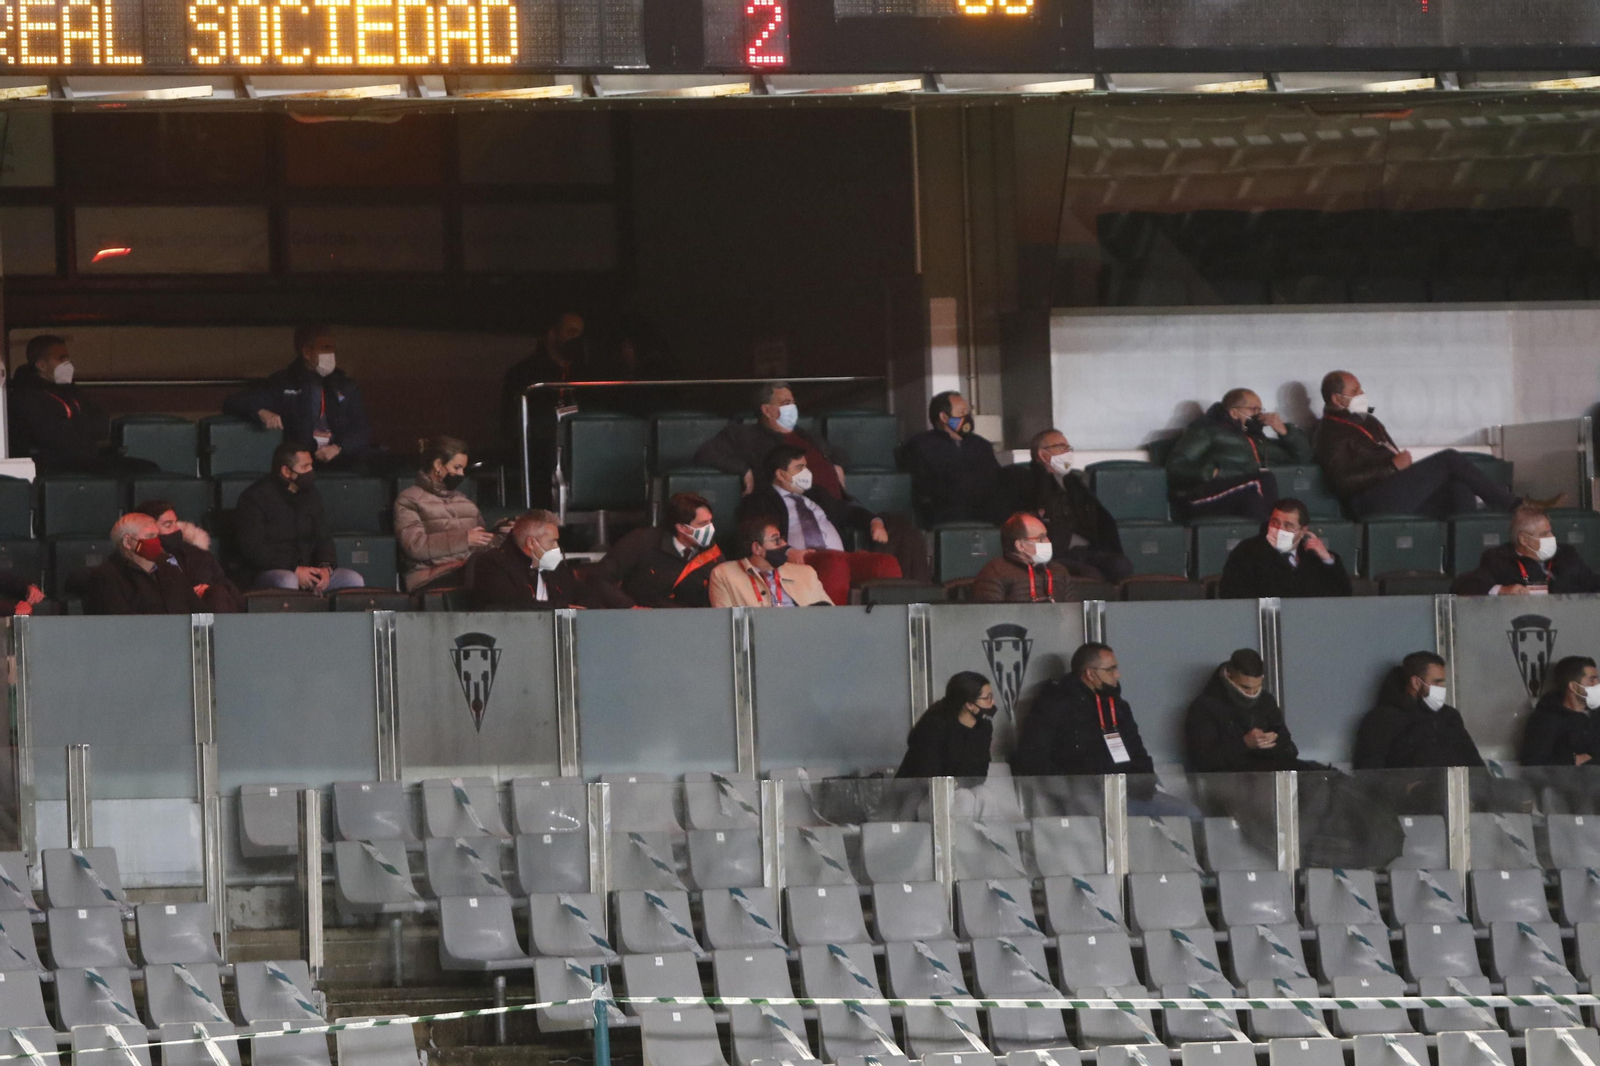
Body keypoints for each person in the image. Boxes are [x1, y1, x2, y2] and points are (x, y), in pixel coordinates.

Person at [1316, 370, 1534, 519]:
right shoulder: (1329, 432)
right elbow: (1342, 482)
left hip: (1394, 491)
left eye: (1360, 389)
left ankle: (1467, 559)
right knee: (1449, 459)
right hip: (1369, 502)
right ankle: (1515, 507)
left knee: (1459, 486)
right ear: (1337, 399)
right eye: (1355, 391)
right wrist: (1392, 467)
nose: (1362, 394)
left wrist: (1398, 468)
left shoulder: (1367, 420)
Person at [1012, 642, 1192, 815]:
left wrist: (1144, 783)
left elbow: (1137, 750)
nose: (1118, 675)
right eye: (1110, 669)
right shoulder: (1054, 705)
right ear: (1090, 673)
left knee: (1188, 812)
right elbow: (1032, 757)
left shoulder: (1118, 706)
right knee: (1113, 817)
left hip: (1125, 792)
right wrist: (1073, 785)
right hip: (1080, 794)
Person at [736, 444, 900, 606]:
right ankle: (831, 626)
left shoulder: (817, 494)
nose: (806, 473)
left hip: (839, 555)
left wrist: (874, 522)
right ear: (780, 474)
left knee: (885, 563)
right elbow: (757, 532)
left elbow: (848, 511)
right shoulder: (760, 500)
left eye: (806, 467)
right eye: (799, 468)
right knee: (834, 564)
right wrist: (787, 551)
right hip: (800, 560)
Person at [990, 428, 1131, 583]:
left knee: (1120, 565)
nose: (1067, 452)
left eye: (1068, 447)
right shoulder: (1024, 481)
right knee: (1090, 576)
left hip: (1088, 550)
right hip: (1056, 553)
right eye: (1060, 447)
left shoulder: (1075, 483)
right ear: (1042, 454)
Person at [224, 325, 371, 470]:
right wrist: (261, 411)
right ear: (306, 352)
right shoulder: (283, 382)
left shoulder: (345, 385)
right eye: (325, 348)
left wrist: (338, 448)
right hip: (296, 467)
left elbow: (361, 429)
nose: (331, 353)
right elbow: (234, 402)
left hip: (342, 464)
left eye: (333, 348)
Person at [7, 335, 155, 476]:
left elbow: (101, 424)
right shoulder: (25, 396)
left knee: (147, 469)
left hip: (84, 458)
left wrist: (75, 427)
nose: (67, 363)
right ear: (41, 365)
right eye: (61, 358)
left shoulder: (69, 389)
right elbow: (55, 438)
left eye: (67, 358)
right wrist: (82, 430)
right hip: (54, 465)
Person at [235, 442, 364, 594]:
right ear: (286, 471)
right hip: (271, 571)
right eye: (304, 467)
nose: (311, 471)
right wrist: (294, 569)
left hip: (310, 569)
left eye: (311, 466)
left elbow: (324, 538)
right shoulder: (254, 498)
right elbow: (254, 550)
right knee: (288, 579)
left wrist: (325, 567)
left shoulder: (312, 495)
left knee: (353, 579)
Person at [1166, 387, 1311, 521]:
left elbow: (1302, 457)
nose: (1259, 414)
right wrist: (1214, 472)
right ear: (1234, 412)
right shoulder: (1206, 429)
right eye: (1253, 409)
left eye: (1261, 409)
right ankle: (1274, 532)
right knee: (1262, 479)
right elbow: (1175, 466)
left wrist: (1284, 431)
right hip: (1198, 497)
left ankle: (1264, 544)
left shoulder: (1255, 439)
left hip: (1235, 494)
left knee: (1254, 502)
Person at [499, 311, 588, 508]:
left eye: (580, 334)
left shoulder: (587, 373)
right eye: (571, 332)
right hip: (540, 458)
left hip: (582, 453)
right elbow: (510, 427)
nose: (576, 339)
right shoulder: (523, 373)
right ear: (552, 334)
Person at [695, 381, 846, 497]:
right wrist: (744, 470)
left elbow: (838, 452)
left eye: (793, 403)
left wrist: (836, 466)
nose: (792, 408)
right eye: (786, 404)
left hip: (823, 507)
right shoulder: (744, 435)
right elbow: (706, 453)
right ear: (766, 410)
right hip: (778, 510)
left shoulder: (807, 435)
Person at [467, 509, 631, 611]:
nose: (557, 547)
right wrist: (562, 608)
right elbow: (511, 607)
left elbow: (582, 593)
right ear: (532, 542)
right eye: (552, 541)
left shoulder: (553, 567)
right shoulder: (493, 564)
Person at [1185, 648, 1318, 773]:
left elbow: (1290, 749)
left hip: (1265, 776)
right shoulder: (1204, 707)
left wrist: (1270, 743)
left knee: (1318, 772)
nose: (1252, 693)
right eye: (1245, 687)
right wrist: (1245, 743)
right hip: (1229, 783)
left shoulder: (1266, 701)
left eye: (1258, 687)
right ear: (1229, 676)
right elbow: (1203, 761)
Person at [394, 436, 499, 593]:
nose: (461, 474)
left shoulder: (465, 502)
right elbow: (415, 546)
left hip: (467, 570)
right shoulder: (409, 499)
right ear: (438, 465)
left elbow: (482, 546)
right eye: (457, 467)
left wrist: (503, 532)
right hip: (429, 576)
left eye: (463, 469)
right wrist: (464, 539)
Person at [1353, 651, 1484, 770]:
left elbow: (1476, 767)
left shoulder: (1450, 717)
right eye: (1436, 682)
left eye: (1443, 683)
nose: (1442, 688)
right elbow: (1368, 774)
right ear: (1416, 682)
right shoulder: (1382, 719)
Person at [592, 492, 722, 608]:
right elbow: (600, 579)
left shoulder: (712, 552)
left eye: (710, 522)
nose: (710, 528)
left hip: (691, 624)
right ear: (681, 527)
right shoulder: (641, 541)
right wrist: (630, 608)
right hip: (640, 622)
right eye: (702, 524)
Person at [1218, 498, 1352, 599]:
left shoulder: (1313, 555)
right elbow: (1232, 595)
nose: (1279, 530)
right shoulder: (1247, 552)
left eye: (1288, 525)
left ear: (1302, 531)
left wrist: (1328, 560)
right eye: (1275, 523)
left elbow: (1343, 594)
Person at [1451, 506, 1600, 596]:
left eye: (1550, 532)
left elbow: (1591, 583)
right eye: (1544, 534)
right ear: (1524, 540)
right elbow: (1462, 585)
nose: (1552, 537)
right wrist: (1502, 590)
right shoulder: (1498, 559)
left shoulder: (1567, 555)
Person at [901, 391, 1001, 526]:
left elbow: (996, 478)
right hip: (944, 512)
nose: (967, 417)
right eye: (961, 412)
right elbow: (920, 486)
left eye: (968, 412)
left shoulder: (981, 445)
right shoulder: (921, 445)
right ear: (944, 417)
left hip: (984, 510)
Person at [133, 498, 244, 614]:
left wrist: (207, 589)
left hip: (207, 620)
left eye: (176, 522)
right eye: (168, 525)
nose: (176, 529)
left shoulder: (199, 556)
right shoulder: (135, 562)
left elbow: (234, 596)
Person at [86, 513, 205, 615]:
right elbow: (118, 625)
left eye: (157, 536)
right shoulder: (108, 576)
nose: (156, 541)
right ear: (128, 542)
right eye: (150, 536)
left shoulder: (171, 571)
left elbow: (198, 610)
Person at [707, 516, 832, 608]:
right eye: (776, 540)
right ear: (757, 548)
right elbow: (725, 624)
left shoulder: (806, 573)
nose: (784, 545)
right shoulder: (724, 575)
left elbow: (831, 615)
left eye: (782, 539)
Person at [896, 671, 996, 780]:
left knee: (981, 793)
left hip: (960, 789)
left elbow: (979, 774)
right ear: (969, 704)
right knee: (964, 796)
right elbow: (927, 773)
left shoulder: (983, 727)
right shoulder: (935, 725)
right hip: (919, 791)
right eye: (988, 698)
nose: (993, 702)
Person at [973, 513, 1077, 603]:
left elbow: (1073, 613)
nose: (1048, 542)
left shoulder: (1059, 571)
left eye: (1046, 536)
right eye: (1041, 538)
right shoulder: (994, 573)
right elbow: (990, 617)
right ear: (1020, 546)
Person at [1520, 655, 1600, 767]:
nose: (1597, 685)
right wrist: (1572, 760)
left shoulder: (1596, 714)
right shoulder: (1545, 720)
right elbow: (1533, 763)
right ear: (1573, 686)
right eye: (1591, 680)